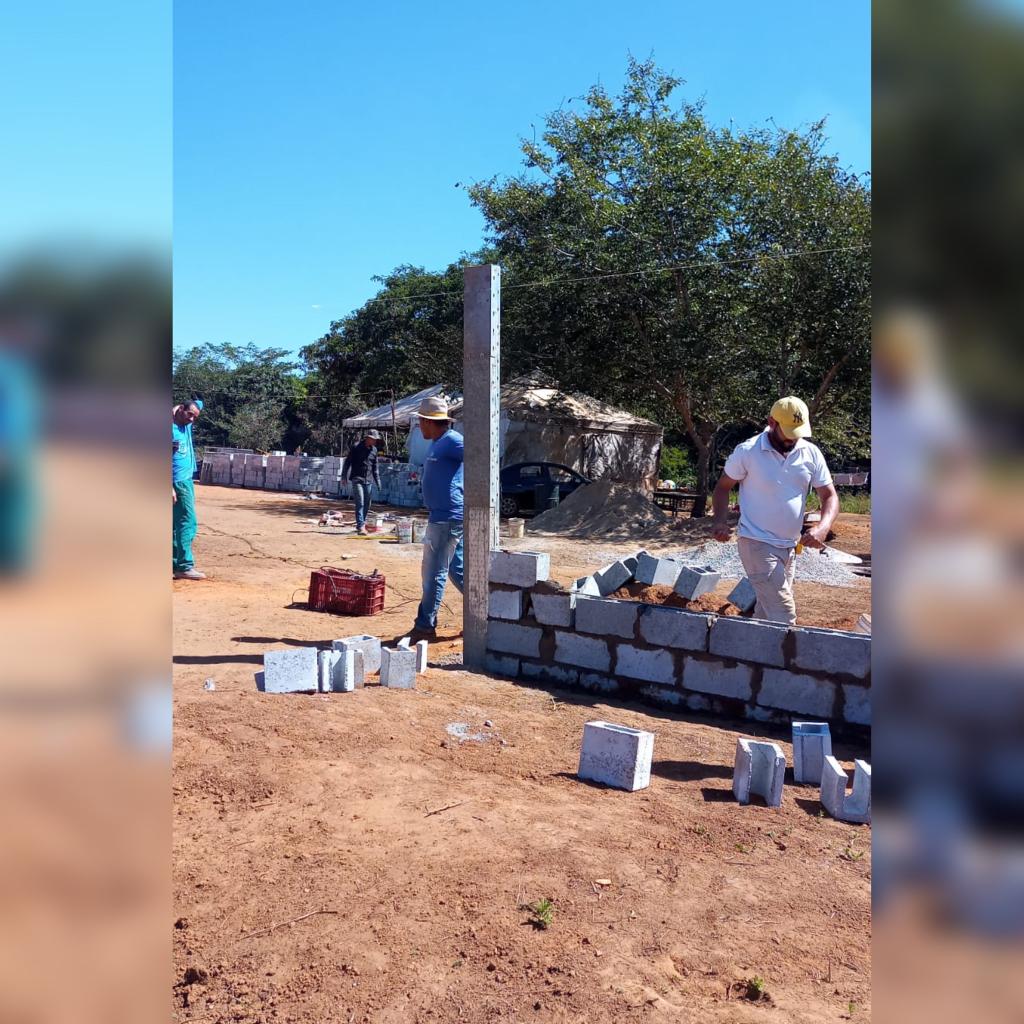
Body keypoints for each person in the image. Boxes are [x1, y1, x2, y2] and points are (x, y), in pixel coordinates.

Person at [711, 396, 839, 625]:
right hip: (756, 542)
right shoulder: (748, 451)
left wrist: (823, 526)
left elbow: (829, 495)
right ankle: (785, 661)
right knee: (783, 615)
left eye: (798, 431)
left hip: (789, 547)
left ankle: (751, 658)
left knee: (765, 615)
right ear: (772, 422)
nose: (793, 438)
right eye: (788, 431)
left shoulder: (811, 453)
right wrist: (720, 521)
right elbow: (722, 488)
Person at [410, 396, 464, 638]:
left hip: (447, 518)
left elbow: (481, 458)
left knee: (433, 572)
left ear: (428, 421)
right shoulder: (438, 441)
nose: (419, 426)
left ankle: (424, 625)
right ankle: (491, 610)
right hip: (443, 516)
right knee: (457, 570)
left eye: (420, 421)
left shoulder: (453, 441)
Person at [172, 399, 206, 580]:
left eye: (195, 416)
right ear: (181, 411)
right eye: (189, 414)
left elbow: (199, 402)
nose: (192, 419)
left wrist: (176, 407)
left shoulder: (186, 424)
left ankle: (174, 564)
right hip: (177, 482)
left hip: (185, 480)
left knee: (173, 525)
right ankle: (185, 566)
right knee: (187, 522)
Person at [342, 429, 382, 535]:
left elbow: (375, 467)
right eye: (373, 439)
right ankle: (360, 526)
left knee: (367, 504)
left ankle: (361, 523)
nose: (375, 441)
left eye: (376, 440)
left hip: (368, 480)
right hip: (357, 478)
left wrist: (378, 481)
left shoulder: (374, 450)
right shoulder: (356, 447)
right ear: (368, 438)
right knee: (360, 502)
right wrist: (343, 476)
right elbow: (347, 462)